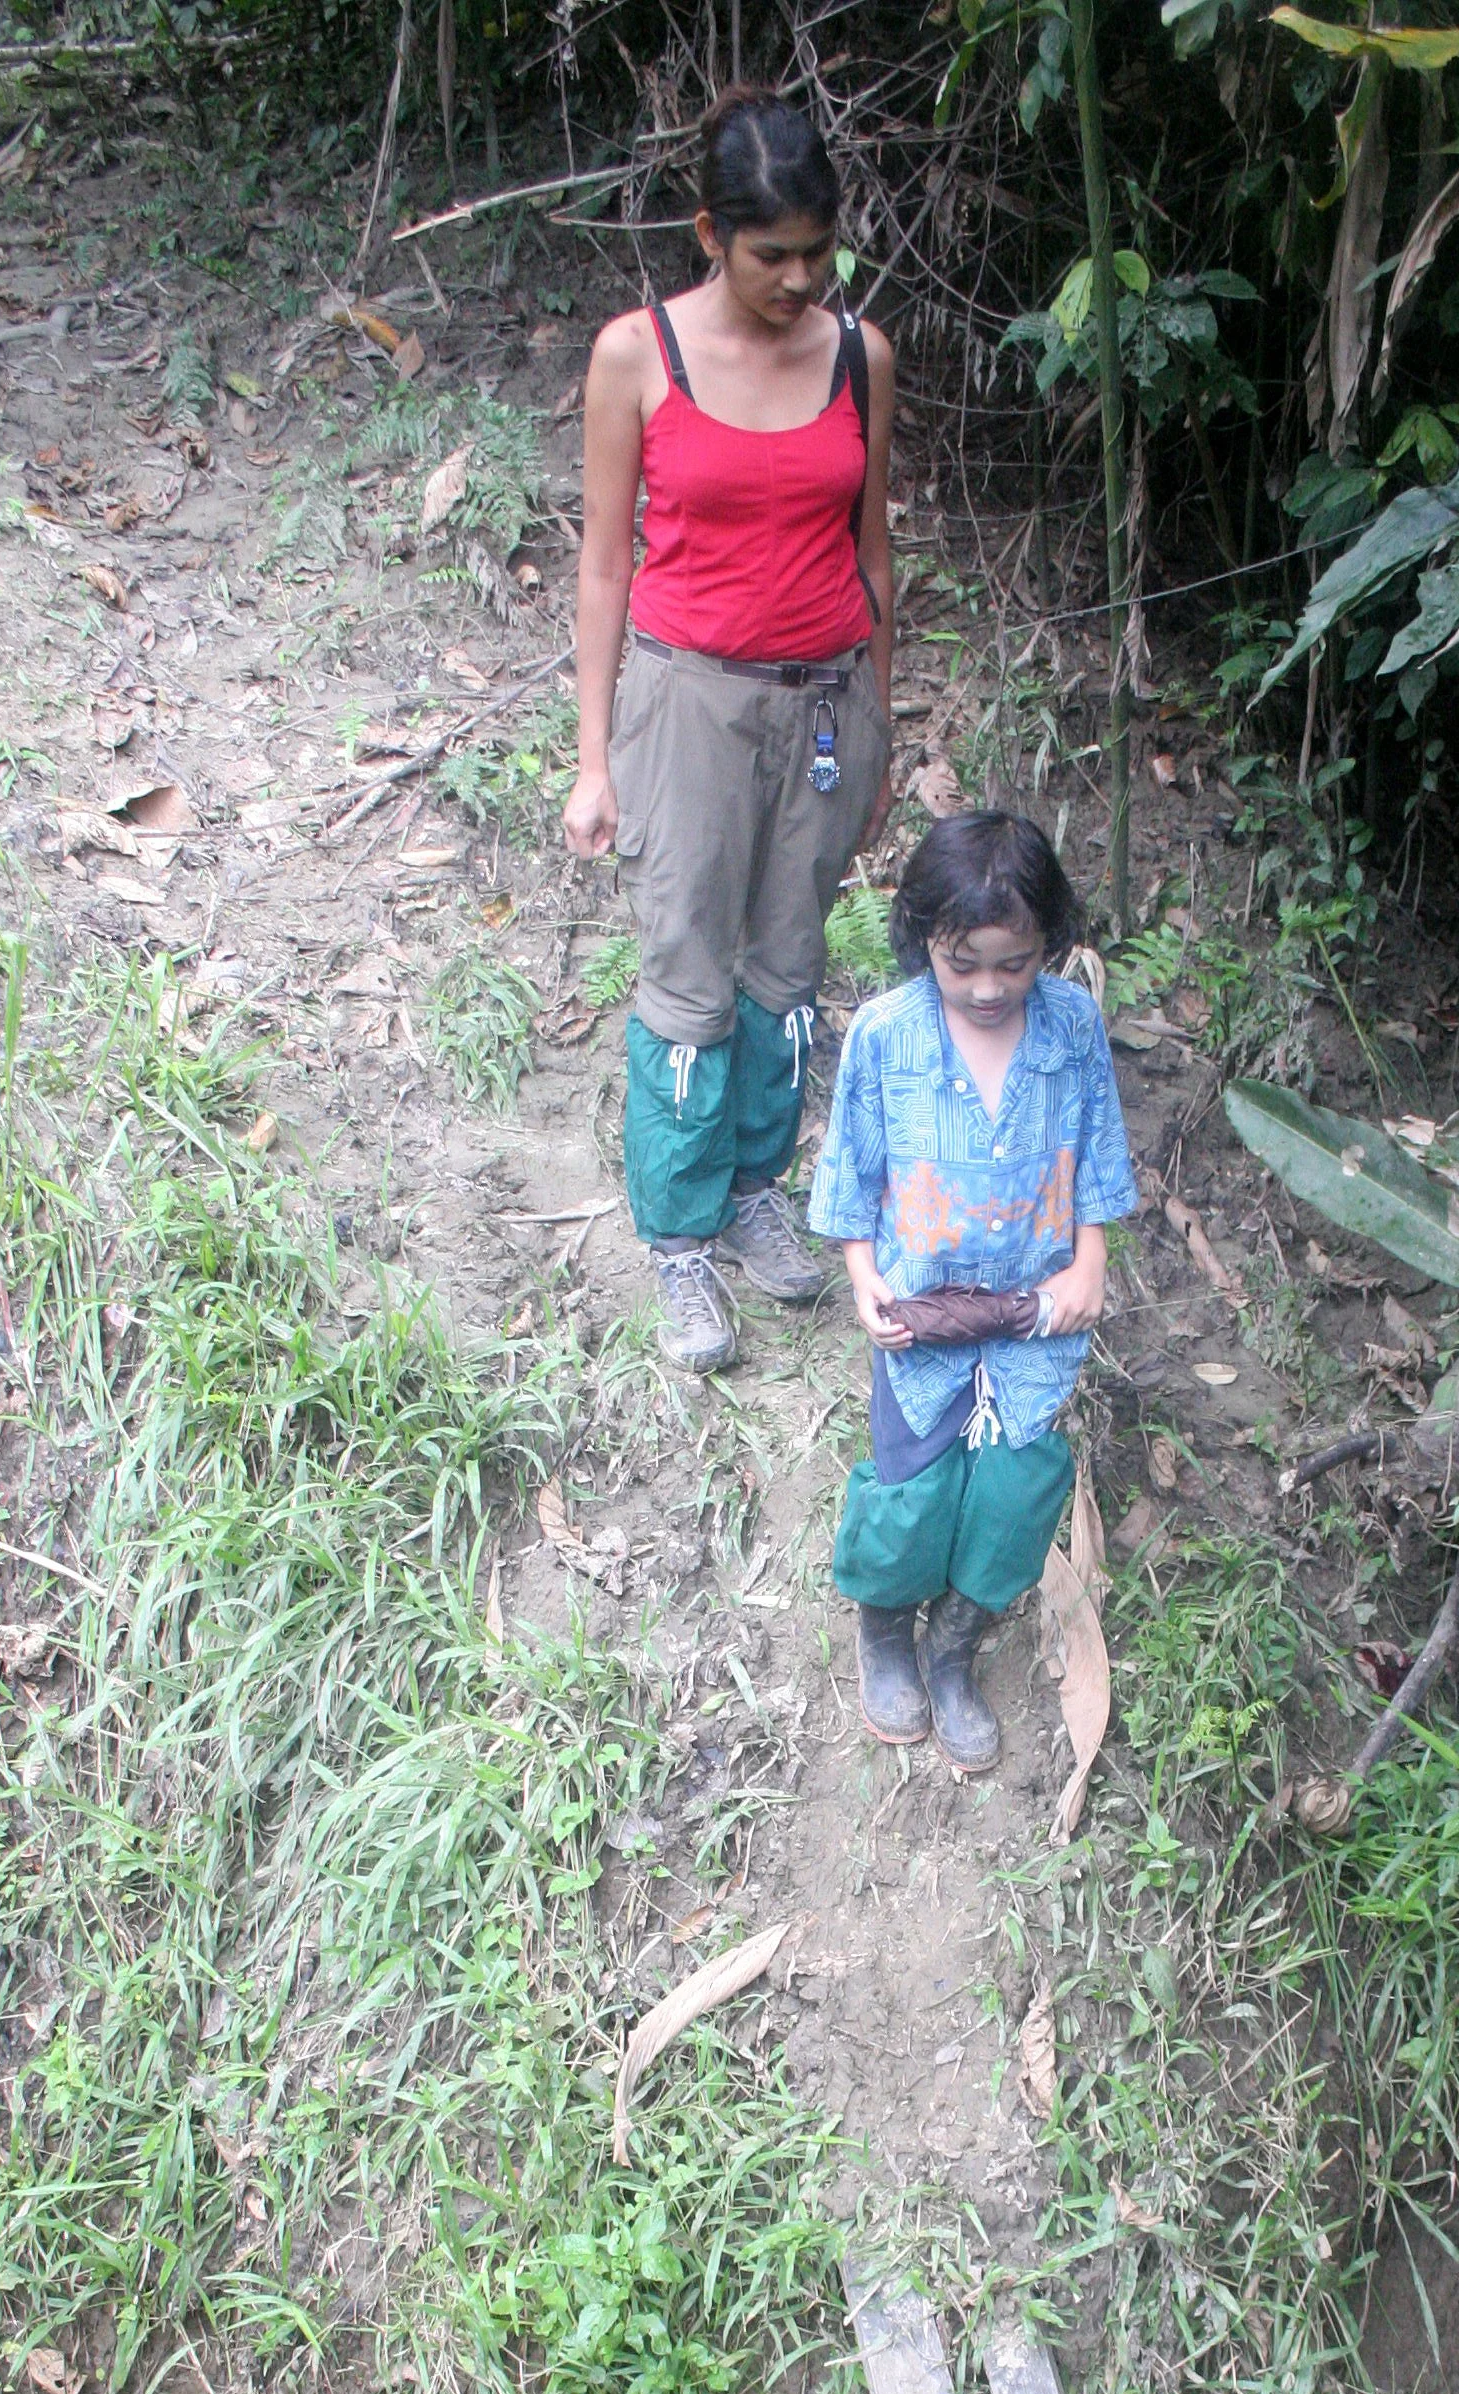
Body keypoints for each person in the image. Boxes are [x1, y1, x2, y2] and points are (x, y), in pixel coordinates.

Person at [562, 86, 895, 1375]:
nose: (799, 279)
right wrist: (595, 759)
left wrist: (879, 716)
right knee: (688, 976)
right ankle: (681, 1243)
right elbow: (602, 566)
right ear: (710, 234)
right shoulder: (634, 355)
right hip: (685, 701)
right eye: (772, 255)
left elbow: (874, 556)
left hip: (822, 703)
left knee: (786, 970)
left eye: (819, 251)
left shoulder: (859, 355)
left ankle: (759, 1191)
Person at [807, 813, 1137, 1776]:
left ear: (1050, 947)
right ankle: (884, 1632)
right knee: (909, 1490)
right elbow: (853, 1169)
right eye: (964, 965)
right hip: (922, 1318)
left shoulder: (1072, 1026)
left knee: (1015, 1491)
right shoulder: (886, 1035)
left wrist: (1090, 1262)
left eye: (1015, 963)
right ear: (923, 943)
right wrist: (864, 1278)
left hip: (1038, 1321)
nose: (989, 987)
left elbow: (1101, 1149)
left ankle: (953, 1649)